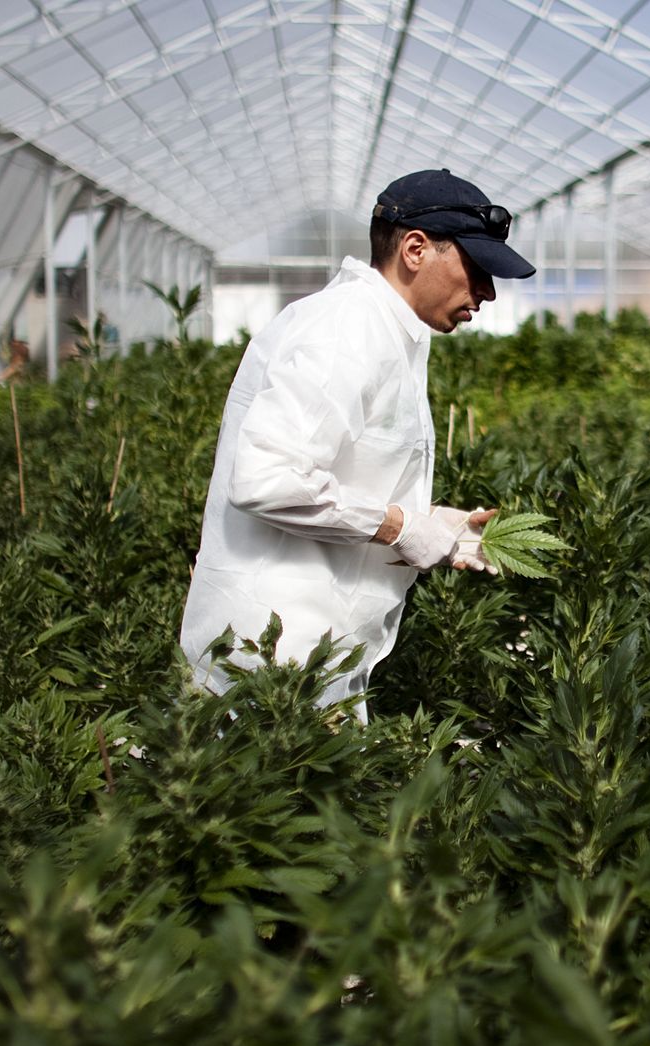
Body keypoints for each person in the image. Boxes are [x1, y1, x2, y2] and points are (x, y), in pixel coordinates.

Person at [179, 169, 536, 721]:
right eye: (478, 269)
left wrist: (433, 524)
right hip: (272, 657)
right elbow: (268, 480)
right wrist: (401, 527)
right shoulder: (346, 330)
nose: (488, 292)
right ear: (415, 249)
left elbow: (341, 471)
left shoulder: (390, 332)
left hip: (313, 650)